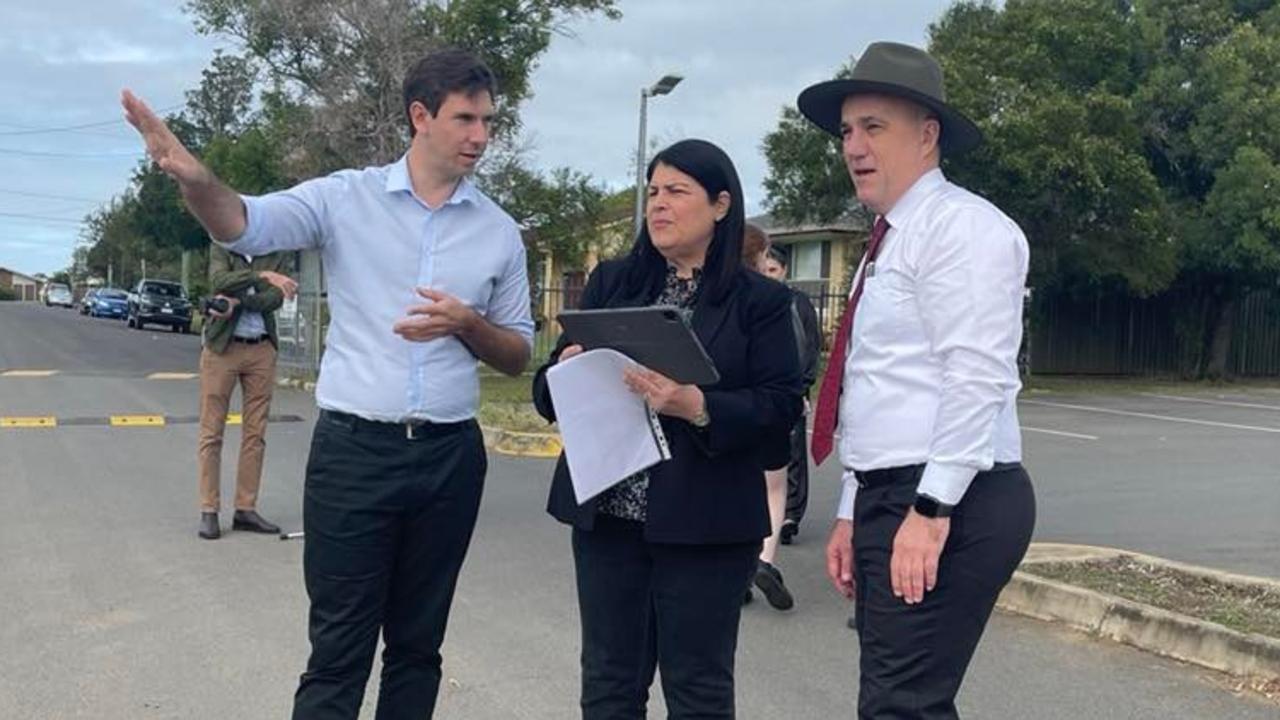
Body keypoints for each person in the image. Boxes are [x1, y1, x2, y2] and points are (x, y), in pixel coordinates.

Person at [123, 48, 534, 720]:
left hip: (449, 460)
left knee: (417, 648)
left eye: (488, 120)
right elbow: (243, 223)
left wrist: (467, 324)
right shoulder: (344, 199)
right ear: (420, 116)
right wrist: (196, 179)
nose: (480, 136)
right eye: (465, 118)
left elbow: (518, 353)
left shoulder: (498, 232)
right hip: (355, 456)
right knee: (339, 650)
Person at [798, 42, 1036, 719]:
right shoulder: (890, 240)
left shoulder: (963, 229)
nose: (853, 146)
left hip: (950, 495)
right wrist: (850, 508)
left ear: (927, 136)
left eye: (874, 127)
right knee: (898, 701)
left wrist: (930, 514)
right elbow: (874, 386)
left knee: (901, 705)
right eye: (847, 130)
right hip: (891, 490)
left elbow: (976, 378)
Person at [532, 139, 802, 719]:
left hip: (707, 524)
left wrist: (697, 405)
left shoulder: (761, 302)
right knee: (608, 684)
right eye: (653, 192)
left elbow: (780, 408)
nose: (659, 205)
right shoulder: (613, 283)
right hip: (609, 519)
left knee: (698, 690)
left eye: (677, 192)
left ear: (721, 205)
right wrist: (564, 372)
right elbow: (546, 392)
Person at [195, 245, 298, 539]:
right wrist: (261, 276)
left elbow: (276, 298)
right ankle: (209, 510)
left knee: (255, 433)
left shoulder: (276, 252)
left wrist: (238, 302)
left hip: (261, 349)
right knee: (211, 432)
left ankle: (245, 508)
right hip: (222, 350)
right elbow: (218, 282)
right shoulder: (221, 246)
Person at [739, 223, 798, 610]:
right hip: (765, 411)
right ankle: (763, 559)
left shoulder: (718, 299)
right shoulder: (775, 301)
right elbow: (798, 355)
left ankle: (738, 568)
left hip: (726, 414)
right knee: (774, 488)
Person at [759, 244, 820, 546]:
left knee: (793, 450)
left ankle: (790, 514)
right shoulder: (755, 302)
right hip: (762, 390)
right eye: (763, 269)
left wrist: (803, 386)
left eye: (773, 270)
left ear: (783, 271)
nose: (768, 276)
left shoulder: (798, 303)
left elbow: (810, 347)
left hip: (793, 389)